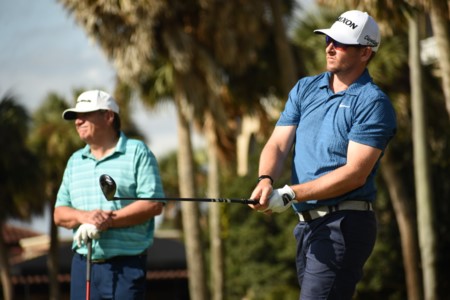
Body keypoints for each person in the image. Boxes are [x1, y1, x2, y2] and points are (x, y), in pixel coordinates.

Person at [249, 10, 397, 300]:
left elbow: (355, 173)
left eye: (340, 43)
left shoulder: (372, 102)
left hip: (343, 225)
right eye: (328, 39)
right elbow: (278, 143)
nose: (329, 46)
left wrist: (291, 193)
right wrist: (266, 179)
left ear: (365, 52)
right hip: (306, 226)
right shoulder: (305, 88)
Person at [54, 89, 165, 300]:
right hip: (83, 265)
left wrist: (107, 221)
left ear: (108, 116)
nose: (78, 121)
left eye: (85, 115)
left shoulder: (137, 151)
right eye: (76, 117)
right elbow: (59, 214)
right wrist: (84, 217)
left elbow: (152, 204)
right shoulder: (75, 161)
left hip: (126, 266)